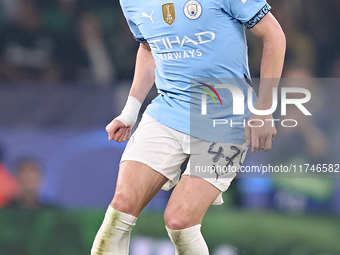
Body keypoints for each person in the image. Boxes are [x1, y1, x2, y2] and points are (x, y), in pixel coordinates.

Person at [91, 0, 285, 254]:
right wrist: (130, 111)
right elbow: (149, 48)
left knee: (180, 221)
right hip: (168, 110)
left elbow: (274, 35)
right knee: (122, 206)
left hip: (226, 118)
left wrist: (263, 109)